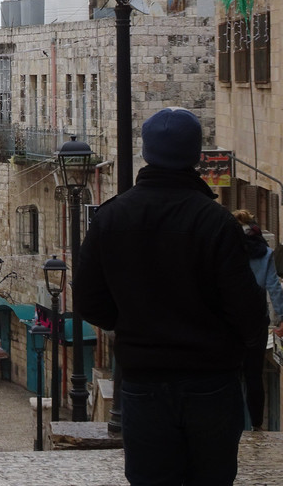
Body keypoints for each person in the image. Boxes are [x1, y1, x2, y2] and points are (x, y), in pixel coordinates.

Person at [73, 107, 266, 486]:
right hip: (211, 382)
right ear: (195, 157)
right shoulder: (215, 221)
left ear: (147, 153)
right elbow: (247, 310)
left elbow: (88, 299)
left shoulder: (111, 218)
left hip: (145, 381)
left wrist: (130, 322)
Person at [234, 209, 283, 430]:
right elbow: (273, 287)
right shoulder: (266, 253)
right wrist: (282, 317)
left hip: (231, 318)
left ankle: (231, 422)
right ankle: (256, 425)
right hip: (257, 318)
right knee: (254, 374)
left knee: (230, 373)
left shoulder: (230, 249)